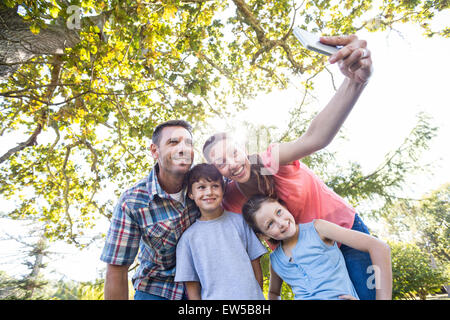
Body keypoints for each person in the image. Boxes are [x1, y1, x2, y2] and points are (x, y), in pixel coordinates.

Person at [202, 35, 377, 299]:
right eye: (221, 163)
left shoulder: (270, 160)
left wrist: (355, 81)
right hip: (305, 259)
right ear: (217, 172)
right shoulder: (230, 199)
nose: (233, 163)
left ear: (243, 149)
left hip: (344, 235)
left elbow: (315, 138)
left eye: (233, 153)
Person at [100, 120, 200, 300]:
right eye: (173, 142)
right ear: (155, 151)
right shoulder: (133, 202)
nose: (183, 148)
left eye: (188, 143)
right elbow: (117, 269)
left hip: (202, 286)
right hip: (156, 288)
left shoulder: (207, 187)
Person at [242, 195, 392, 300]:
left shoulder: (318, 229)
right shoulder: (276, 261)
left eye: (279, 212)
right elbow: (274, 292)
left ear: (284, 206)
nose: (281, 223)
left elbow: (379, 247)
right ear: (264, 236)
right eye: (270, 224)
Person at [174, 164, 267, 300]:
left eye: (215, 186)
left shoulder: (240, 222)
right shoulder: (187, 239)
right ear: (191, 194)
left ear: (223, 190)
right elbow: (192, 286)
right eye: (201, 187)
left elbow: (255, 263)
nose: (209, 192)